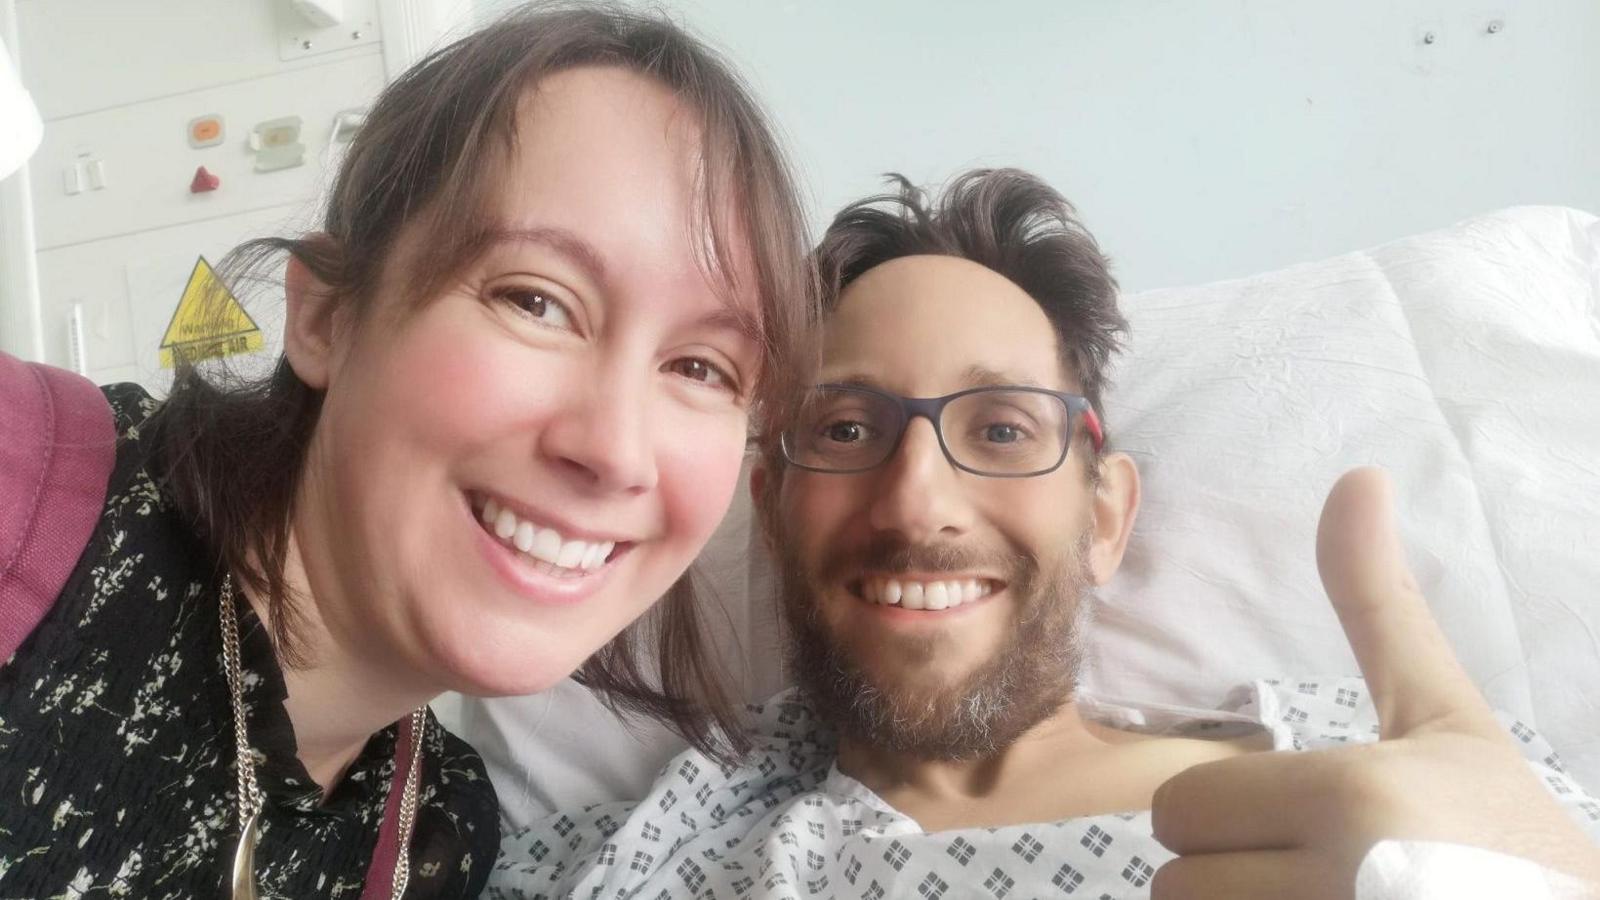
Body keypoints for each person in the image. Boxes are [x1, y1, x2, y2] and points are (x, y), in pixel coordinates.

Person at [489, 169, 1600, 899]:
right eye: (843, 426)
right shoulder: (643, 856)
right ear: (772, 511)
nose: (917, 500)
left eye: (1003, 427)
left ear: (1105, 513)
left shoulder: (1429, 776)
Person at [0, 3, 816, 897]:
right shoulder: (28, 488)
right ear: (325, 316)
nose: (617, 452)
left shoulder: (440, 836)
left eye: (701, 366)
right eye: (535, 301)